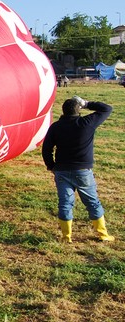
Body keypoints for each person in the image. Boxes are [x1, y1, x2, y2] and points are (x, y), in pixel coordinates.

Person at [41, 95, 114, 243]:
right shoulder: (86, 123)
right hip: (83, 171)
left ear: (63, 111)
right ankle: (103, 235)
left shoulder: (56, 127)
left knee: (65, 203)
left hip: (61, 170)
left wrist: (51, 166)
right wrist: (86, 103)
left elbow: (46, 149)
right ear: (79, 110)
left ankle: (66, 237)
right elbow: (107, 108)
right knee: (92, 202)